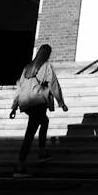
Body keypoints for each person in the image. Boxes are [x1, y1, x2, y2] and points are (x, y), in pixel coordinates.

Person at [9, 44, 68, 177]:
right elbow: (54, 84)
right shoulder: (46, 66)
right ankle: (20, 165)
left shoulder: (27, 68)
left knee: (44, 121)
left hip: (26, 103)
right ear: (47, 54)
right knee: (30, 133)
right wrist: (61, 102)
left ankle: (41, 152)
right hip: (37, 101)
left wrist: (14, 106)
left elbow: (20, 88)